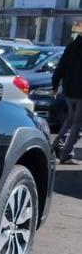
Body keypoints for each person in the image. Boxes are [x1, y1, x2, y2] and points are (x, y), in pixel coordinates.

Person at [53, 34, 82, 165]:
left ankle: (57, 145)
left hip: (69, 90)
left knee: (70, 120)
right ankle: (66, 154)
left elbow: (60, 67)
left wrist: (55, 85)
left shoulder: (71, 46)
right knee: (77, 124)